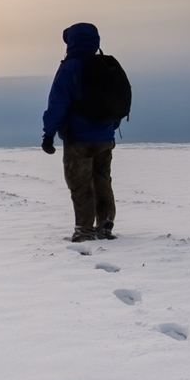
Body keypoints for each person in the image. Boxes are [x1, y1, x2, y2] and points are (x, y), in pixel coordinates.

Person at [41, 22, 125, 242]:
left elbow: (57, 104)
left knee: (80, 185)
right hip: (105, 137)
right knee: (102, 181)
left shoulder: (69, 68)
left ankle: (84, 230)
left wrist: (48, 134)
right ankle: (105, 225)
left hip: (79, 139)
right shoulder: (106, 66)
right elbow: (116, 101)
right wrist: (110, 126)